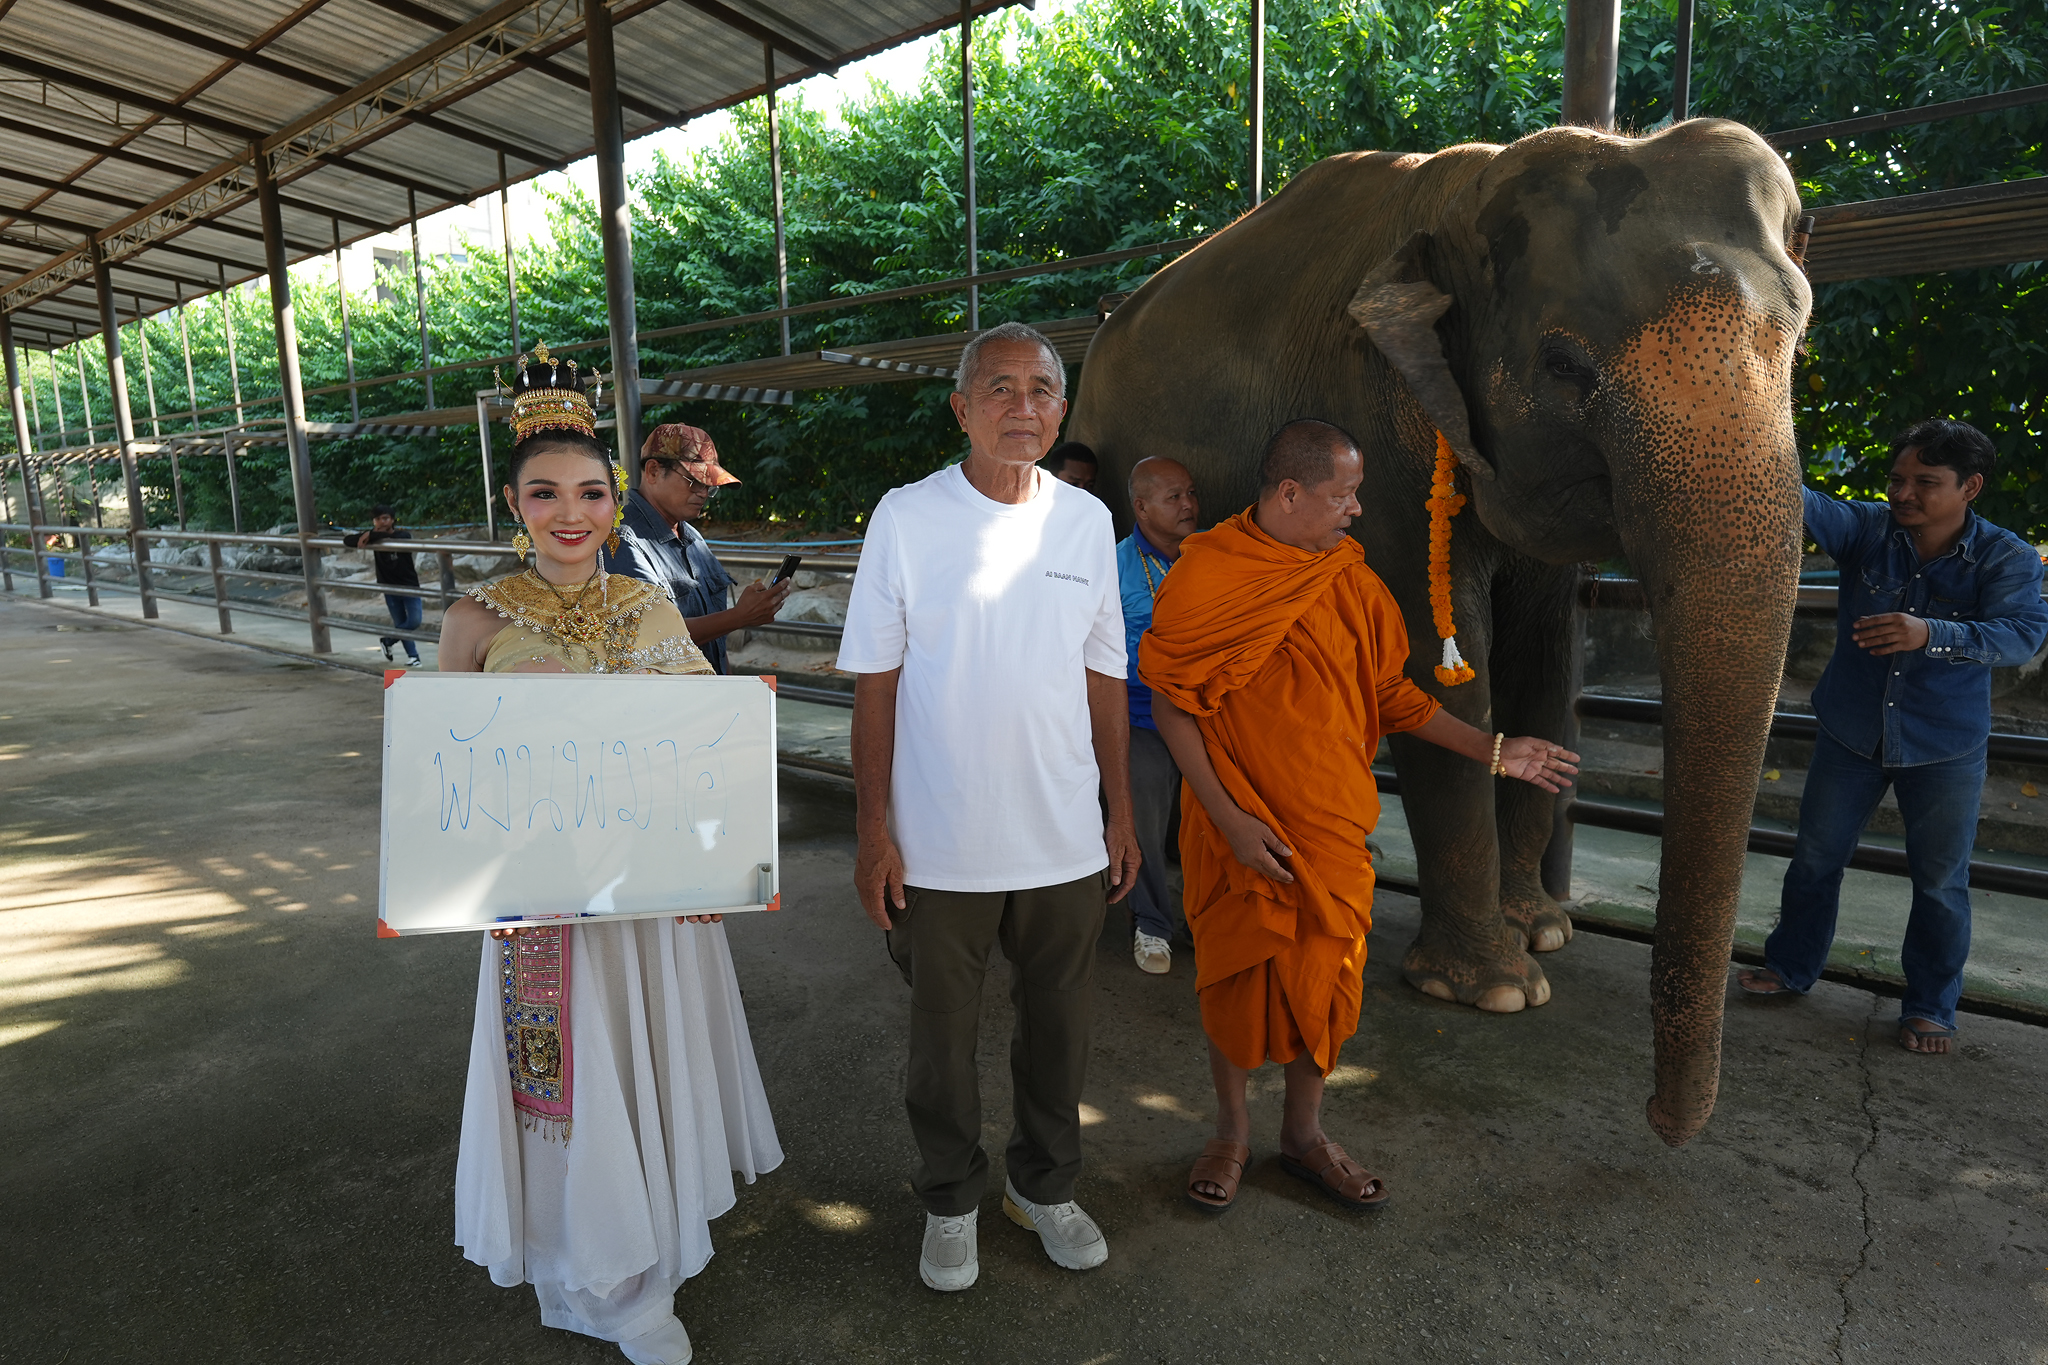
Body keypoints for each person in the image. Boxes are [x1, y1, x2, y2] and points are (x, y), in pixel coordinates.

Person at [440, 346, 782, 1365]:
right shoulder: (473, 620)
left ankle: (654, 1252)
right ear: (513, 501)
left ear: (614, 497)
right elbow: (442, 778)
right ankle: (596, 1270)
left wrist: (714, 858)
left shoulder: (649, 609)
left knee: (647, 1055)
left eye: (590, 491)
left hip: (650, 894)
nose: (571, 512)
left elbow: (702, 757)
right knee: (568, 1076)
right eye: (544, 493)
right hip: (542, 903)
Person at [1141, 420, 1577, 1213]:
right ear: (1289, 493)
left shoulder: (1352, 579)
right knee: (1234, 974)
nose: (1355, 509)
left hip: (1330, 818)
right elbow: (1173, 703)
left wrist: (1492, 748)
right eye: (1342, 494)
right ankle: (1231, 1131)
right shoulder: (1206, 575)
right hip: (1234, 820)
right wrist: (1229, 817)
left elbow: (1395, 696)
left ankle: (1304, 1134)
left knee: (1330, 973)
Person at [837, 321, 1139, 1293]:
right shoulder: (905, 516)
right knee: (941, 1050)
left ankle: (1042, 1188)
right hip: (939, 846)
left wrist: (1119, 816)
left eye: (1041, 390)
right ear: (961, 408)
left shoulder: (1084, 523)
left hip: (1060, 842)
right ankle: (950, 1200)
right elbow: (875, 683)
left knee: (1060, 1034)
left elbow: (1102, 678)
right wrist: (872, 831)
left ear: (1062, 409)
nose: (1022, 407)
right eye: (998, 389)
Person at [1738, 419, 2048, 1054]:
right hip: (1851, 733)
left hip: (1946, 747)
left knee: (1940, 882)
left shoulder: (2006, 556)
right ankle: (1791, 967)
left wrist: (1930, 631)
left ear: (1971, 487)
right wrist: (1749, 431)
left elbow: (2023, 635)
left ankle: (1931, 1006)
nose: (1904, 493)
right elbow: (1792, 495)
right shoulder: (1869, 530)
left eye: (1926, 483)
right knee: (1815, 860)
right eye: (1898, 479)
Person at [603, 422, 791, 674]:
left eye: (709, 486)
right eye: (694, 481)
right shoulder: (623, 539)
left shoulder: (692, 536)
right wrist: (739, 616)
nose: (703, 493)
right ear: (653, 471)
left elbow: (717, 645)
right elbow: (648, 634)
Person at [1116, 456, 1200, 974]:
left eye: (1190, 492)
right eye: (1174, 497)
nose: (1188, 504)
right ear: (1141, 506)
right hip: (1141, 716)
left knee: (1217, 817)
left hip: (1208, 714)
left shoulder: (1214, 554)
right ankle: (1151, 924)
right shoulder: (1111, 563)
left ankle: (1206, 916)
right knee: (1142, 813)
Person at [343, 504, 424, 666]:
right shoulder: (370, 536)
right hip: (388, 586)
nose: (382, 522)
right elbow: (348, 540)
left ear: (392, 520)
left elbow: (403, 539)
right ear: (373, 521)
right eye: (378, 519)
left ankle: (387, 641)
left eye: (385, 518)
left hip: (409, 585)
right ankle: (413, 656)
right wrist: (371, 535)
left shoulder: (402, 535)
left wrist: (371, 536)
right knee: (400, 621)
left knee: (414, 620)